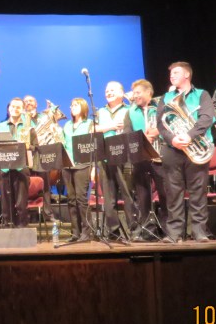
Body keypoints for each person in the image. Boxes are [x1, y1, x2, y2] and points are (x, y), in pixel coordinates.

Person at [156, 62, 215, 242]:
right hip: (172, 149)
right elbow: (161, 123)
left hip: (197, 147)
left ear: (187, 75)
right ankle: (174, 233)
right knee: (173, 193)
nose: (171, 75)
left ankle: (199, 231)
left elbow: (207, 118)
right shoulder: (166, 97)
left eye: (176, 72)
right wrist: (172, 139)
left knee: (198, 192)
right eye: (171, 73)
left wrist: (189, 135)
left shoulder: (202, 95)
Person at [123, 79, 168, 240]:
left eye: (138, 93)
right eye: (134, 93)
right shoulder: (130, 112)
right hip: (140, 158)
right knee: (143, 196)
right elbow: (127, 134)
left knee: (165, 194)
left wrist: (157, 132)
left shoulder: (160, 108)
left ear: (149, 93)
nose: (135, 96)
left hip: (160, 155)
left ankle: (167, 229)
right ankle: (147, 230)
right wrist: (142, 138)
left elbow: (169, 127)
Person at [95, 81, 136, 239]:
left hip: (125, 156)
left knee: (127, 193)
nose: (108, 92)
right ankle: (113, 231)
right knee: (108, 197)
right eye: (107, 90)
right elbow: (93, 129)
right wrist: (111, 126)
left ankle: (133, 229)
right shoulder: (100, 111)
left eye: (112, 90)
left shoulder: (129, 109)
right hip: (105, 156)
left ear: (121, 93)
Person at [0, 97, 36, 228]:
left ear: (23, 110)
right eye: (13, 106)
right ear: (9, 108)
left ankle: (22, 229)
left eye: (18, 107)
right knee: (6, 204)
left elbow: (35, 147)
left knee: (21, 204)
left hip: (21, 169)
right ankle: (8, 229)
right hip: (4, 169)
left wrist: (27, 146)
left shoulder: (29, 128)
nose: (15, 109)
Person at [61, 98, 93, 242]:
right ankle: (75, 232)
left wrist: (93, 167)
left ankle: (86, 232)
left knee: (81, 198)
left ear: (83, 107)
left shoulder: (89, 124)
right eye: (71, 105)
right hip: (67, 166)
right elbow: (63, 143)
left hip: (83, 165)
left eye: (75, 105)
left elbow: (92, 147)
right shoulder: (67, 125)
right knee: (71, 199)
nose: (72, 107)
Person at [23, 94, 56, 222]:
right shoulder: (21, 119)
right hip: (25, 155)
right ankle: (24, 213)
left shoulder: (43, 118)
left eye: (31, 101)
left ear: (36, 104)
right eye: (26, 101)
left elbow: (52, 131)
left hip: (41, 153)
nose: (28, 103)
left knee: (45, 184)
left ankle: (48, 213)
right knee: (24, 184)